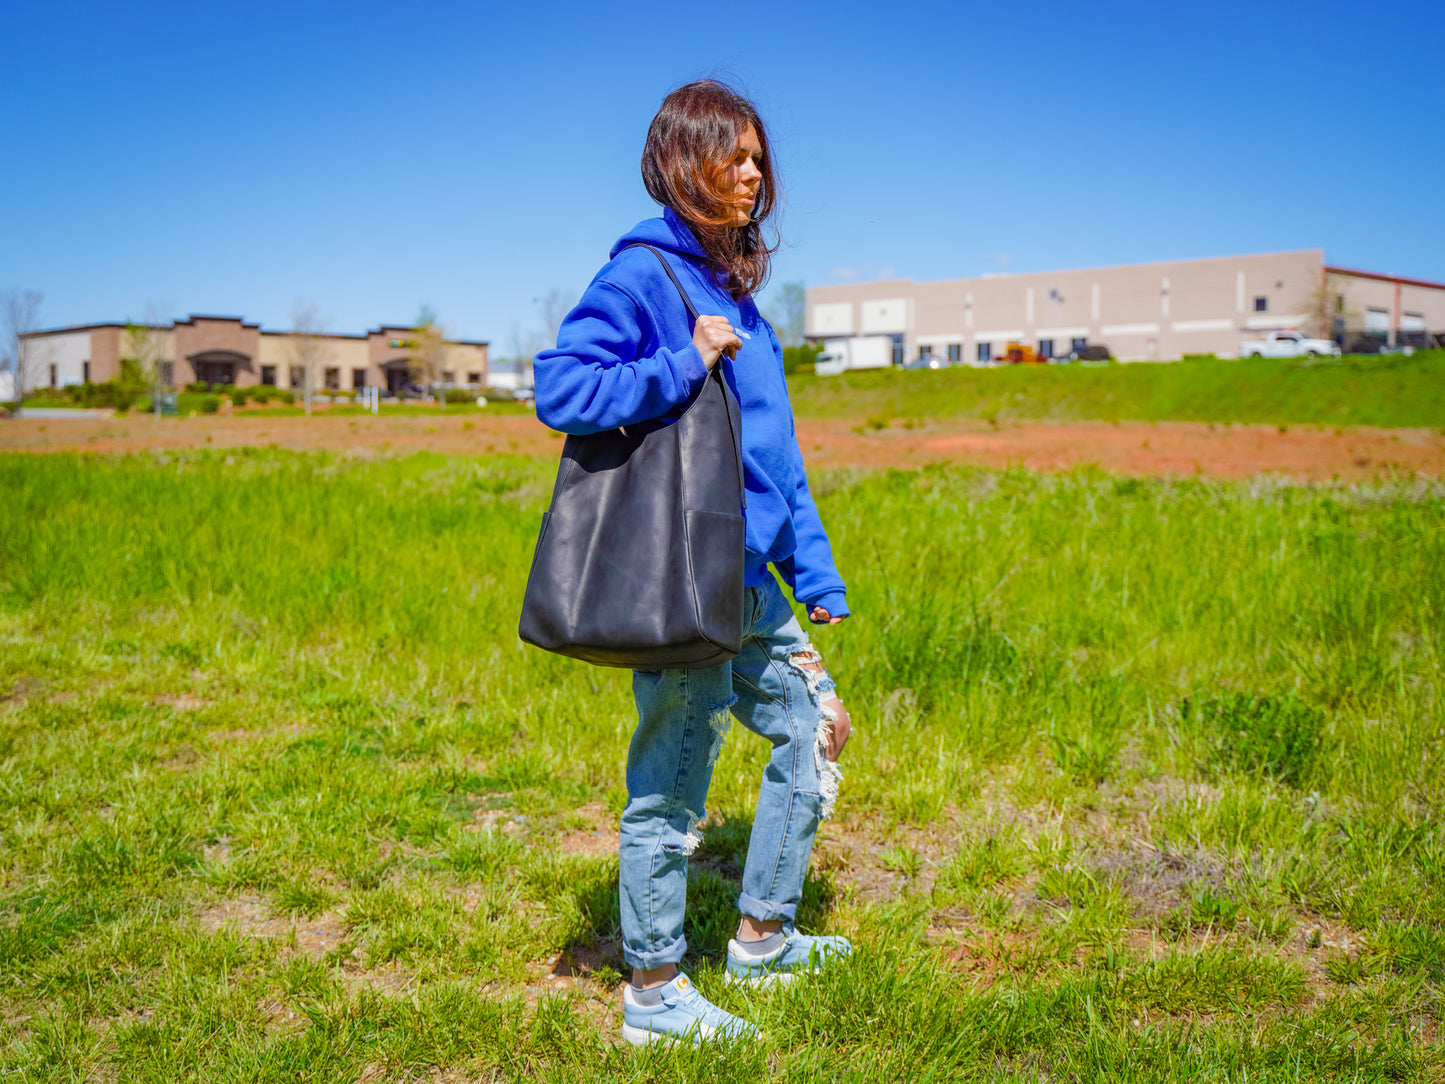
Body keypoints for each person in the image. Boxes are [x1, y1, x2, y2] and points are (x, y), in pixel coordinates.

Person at [533, 80, 853, 1046]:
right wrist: (681, 364)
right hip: (681, 576)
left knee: (816, 731)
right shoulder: (644, 276)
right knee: (673, 781)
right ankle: (654, 993)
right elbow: (562, 388)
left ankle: (761, 937)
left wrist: (816, 575)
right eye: (734, 156)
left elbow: (776, 456)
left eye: (760, 159)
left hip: (752, 581)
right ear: (683, 162)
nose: (753, 174)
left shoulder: (738, 295)